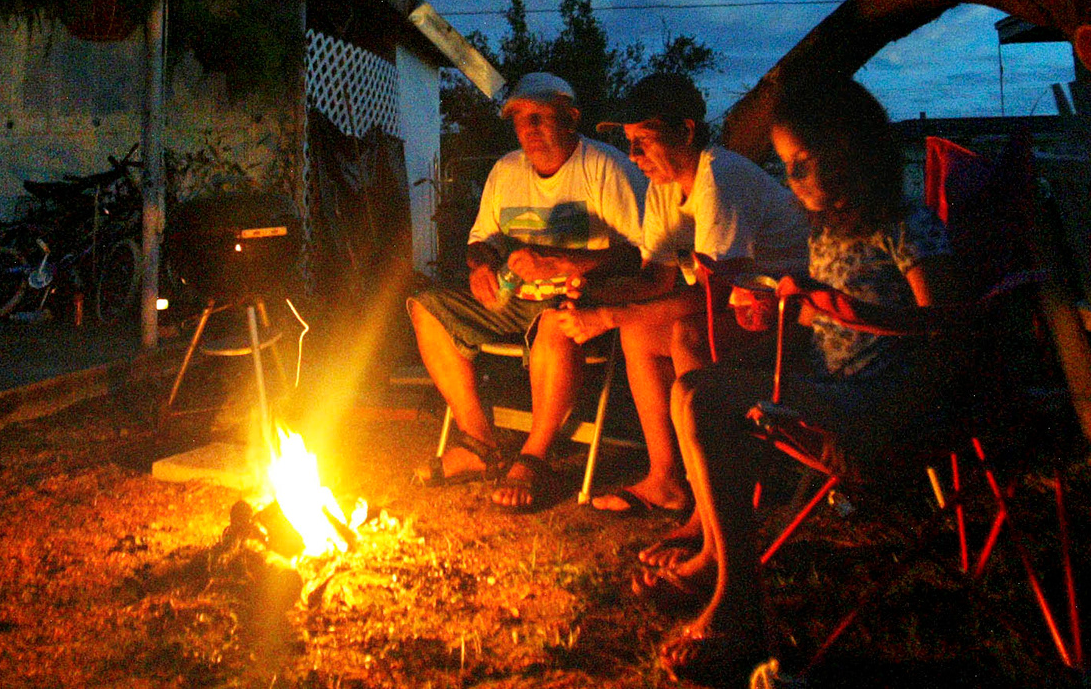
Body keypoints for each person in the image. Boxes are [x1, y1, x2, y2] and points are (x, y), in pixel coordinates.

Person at [642, 74, 954, 687]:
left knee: (704, 394)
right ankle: (716, 554)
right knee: (693, 384)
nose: (792, 181)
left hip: (882, 403)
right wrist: (788, 311)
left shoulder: (905, 224)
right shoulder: (829, 232)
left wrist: (847, 312)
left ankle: (738, 606)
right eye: (786, 167)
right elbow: (829, 314)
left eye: (802, 165)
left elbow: (944, 327)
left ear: (851, 153)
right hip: (833, 384)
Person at [546, 73, 807, 519]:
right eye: (629, 142)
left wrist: (610, 316)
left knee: (686, 334)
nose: (634, 156)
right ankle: (666, 478)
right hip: (744, 306)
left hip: (796, 310)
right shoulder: (664, 187)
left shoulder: (720, 180)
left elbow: (715, 294)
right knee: (641, 333)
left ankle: (713, 497)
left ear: (686, 131)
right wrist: (594, 295)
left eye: (643, 140)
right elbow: (656, 279)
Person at [409, 72, 645, 511]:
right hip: (517, 294)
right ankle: (480, 442)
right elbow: (484, 238)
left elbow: (642, 255)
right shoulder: (507, 171)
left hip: (582, 294)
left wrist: (570, 262)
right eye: (519, 120)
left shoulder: (605, 167)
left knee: (558, 321)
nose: (528, 130)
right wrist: (481, 265)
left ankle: (534, 457)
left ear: (570, 118)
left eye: (539, 118)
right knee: (427, 307)